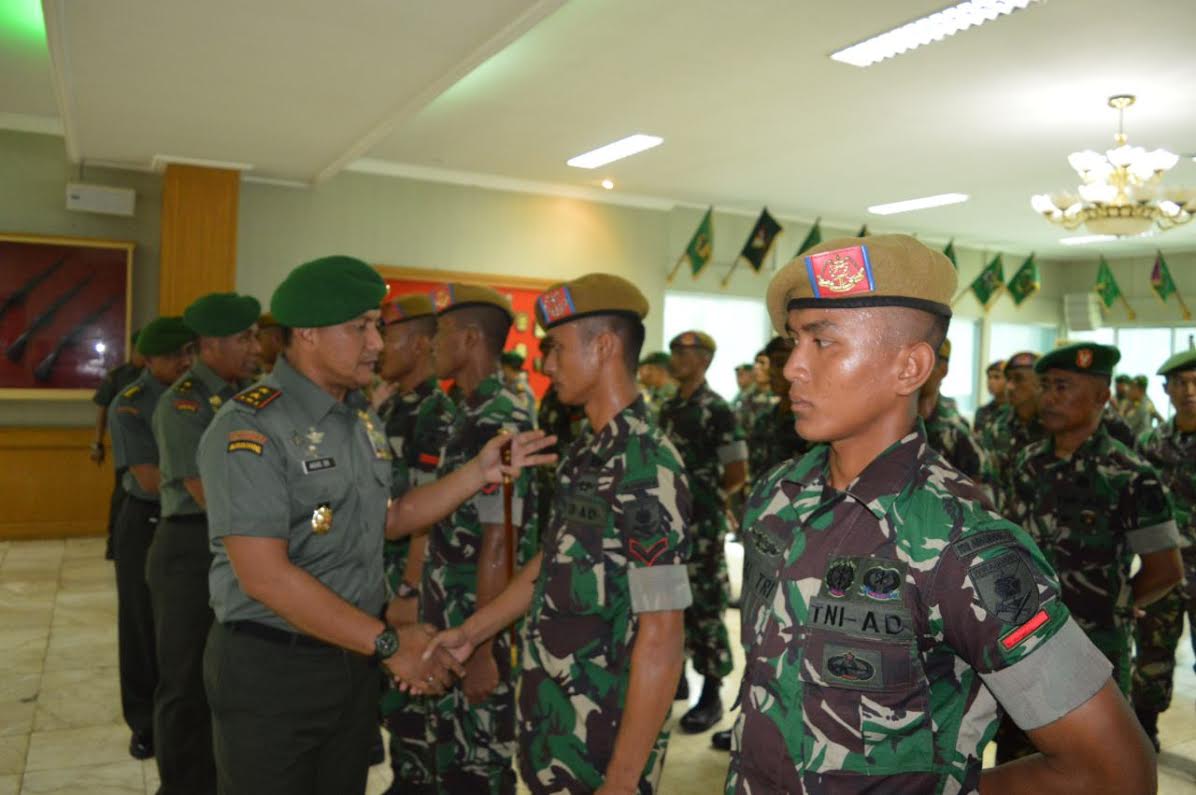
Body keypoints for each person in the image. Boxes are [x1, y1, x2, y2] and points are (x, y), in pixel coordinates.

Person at [727, 234, 1156, 794]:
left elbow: (1114, 769)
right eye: (793, 341)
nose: (793, 368)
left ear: (910, 367)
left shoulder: (961, 544)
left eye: (823, 342)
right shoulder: (776, 496)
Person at [197, 256, 552, 795]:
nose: (377, 343)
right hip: (274, 668)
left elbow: (390, 518)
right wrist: (389, 644)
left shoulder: (357, 418)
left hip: (350, 659)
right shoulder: (250, 425)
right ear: (308, 333)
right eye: (359, 327)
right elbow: (264, 576)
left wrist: (478, 472)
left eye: (376, 326)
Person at [419, 273, 694, 794]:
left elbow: (662, 636)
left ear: (606, 347)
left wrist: (621, 781)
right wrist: (473, 632)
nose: (545, 365)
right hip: (556, 727)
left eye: (558, 349)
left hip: (604, 740)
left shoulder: (647, 465)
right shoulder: (586, 452)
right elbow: (550, 562)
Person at [1000, 341, 1184, 761]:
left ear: (1102, 396)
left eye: (1062, 387)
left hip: (1094, 649)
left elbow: (1166, 569)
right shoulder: (1027, 464)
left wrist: (1118, 605)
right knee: (1018, 758)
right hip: (1023, 643)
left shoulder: (1132, 476)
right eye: (1045, 386)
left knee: (1092, 762)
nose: (1048, 397)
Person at [420, 283, 537, 794]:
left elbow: (501, 537)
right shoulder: (461, 410)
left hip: (476, 618)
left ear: (470, 339)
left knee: (480, 768)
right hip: (449, 612)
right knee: (449, 757)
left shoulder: (502, 417)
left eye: (440, 333)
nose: (431, 345)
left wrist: (482, 647)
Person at [148, 293, 261, 794]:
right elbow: (205, 493)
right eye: (245, 338)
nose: (257, 347)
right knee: (183, 682)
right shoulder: (184, 403)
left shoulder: (251, 396)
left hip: (235, 544)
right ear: (211, 345)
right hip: (190, 547)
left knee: (222, 677)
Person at [711, 333, 809, 753]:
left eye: (781, 359)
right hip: (766, 541)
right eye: (771, 362)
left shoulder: (815, 421)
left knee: (798, 640)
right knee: (757, 633)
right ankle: (749, 720)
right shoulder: (769, 419)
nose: (776, 370)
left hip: (805, 546)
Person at [374, 293, 456, 794]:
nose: (378, 345)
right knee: (390, 697)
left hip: (409, 579)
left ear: (422, 343)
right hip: (378, 571)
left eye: (388, 335)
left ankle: (416, 781)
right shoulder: (387, 405)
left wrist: (408, 589)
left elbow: (428, 510)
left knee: (415, 702)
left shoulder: (434, 411)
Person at [108, 317, 194, 760]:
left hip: (191, 523)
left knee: (180, 631)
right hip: (146, 521)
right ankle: (144, 723)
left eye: (188, 352)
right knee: (142, 627)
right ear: (148, 359)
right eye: (174, 355)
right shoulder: (132, 404)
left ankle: (183, 720)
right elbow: (147, 478)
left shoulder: (199, 397)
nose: (184, 362)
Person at [660, 331, 747, 733]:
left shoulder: (719, 410)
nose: (675, 358)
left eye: (684, 352)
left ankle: (711, 693)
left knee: (706, 606)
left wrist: (706, 499)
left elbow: (736, 472)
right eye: (675, 350)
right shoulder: (666, 407)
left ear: (705, 359)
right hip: (666, 523)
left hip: (703, 525)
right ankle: (671, 681)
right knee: (666, 600)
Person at [1132, 348, 1196, 750]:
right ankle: (1144, 733)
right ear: (1167, 390)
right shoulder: (1151, 443)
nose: (1190, 391)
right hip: (1164, 568)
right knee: (1152, 657)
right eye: (1181, 383)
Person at [91, 330, 145, 559]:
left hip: (150, 448)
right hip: (125, 447)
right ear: (134, 349)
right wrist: (96, 443)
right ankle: (114, 543)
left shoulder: (159, 377)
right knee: (122, 494)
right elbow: (102, 409)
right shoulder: (118, 376)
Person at [979, 352, 1046, 512]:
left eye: (1018, 379)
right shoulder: (996, 425)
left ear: (1040, 383)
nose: (1009, 386)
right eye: (1008, 379)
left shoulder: (1053, 427)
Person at [918, 338, 988, 486]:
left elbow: (982, 496)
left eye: (925, 365)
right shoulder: (892, 424)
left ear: (943, 370)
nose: (915, 371)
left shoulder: (957, 434)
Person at [637, 351, 675, 419]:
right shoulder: (652, 390)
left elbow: (659, 415)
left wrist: (643, 400)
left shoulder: (673, 393)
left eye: (650, 369)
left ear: (662, 371)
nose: (646, 373)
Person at [973, 359, 1007, 435]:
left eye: (997, 377)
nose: (991, 382)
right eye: (989, 377)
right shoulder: (982, 411)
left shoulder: (1015, 411)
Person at [500, 349, 537, 415]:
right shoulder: (514, 383)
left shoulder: (520, 386)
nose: (501, 371)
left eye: (503, 367)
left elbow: (523, 410)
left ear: (508, 368)